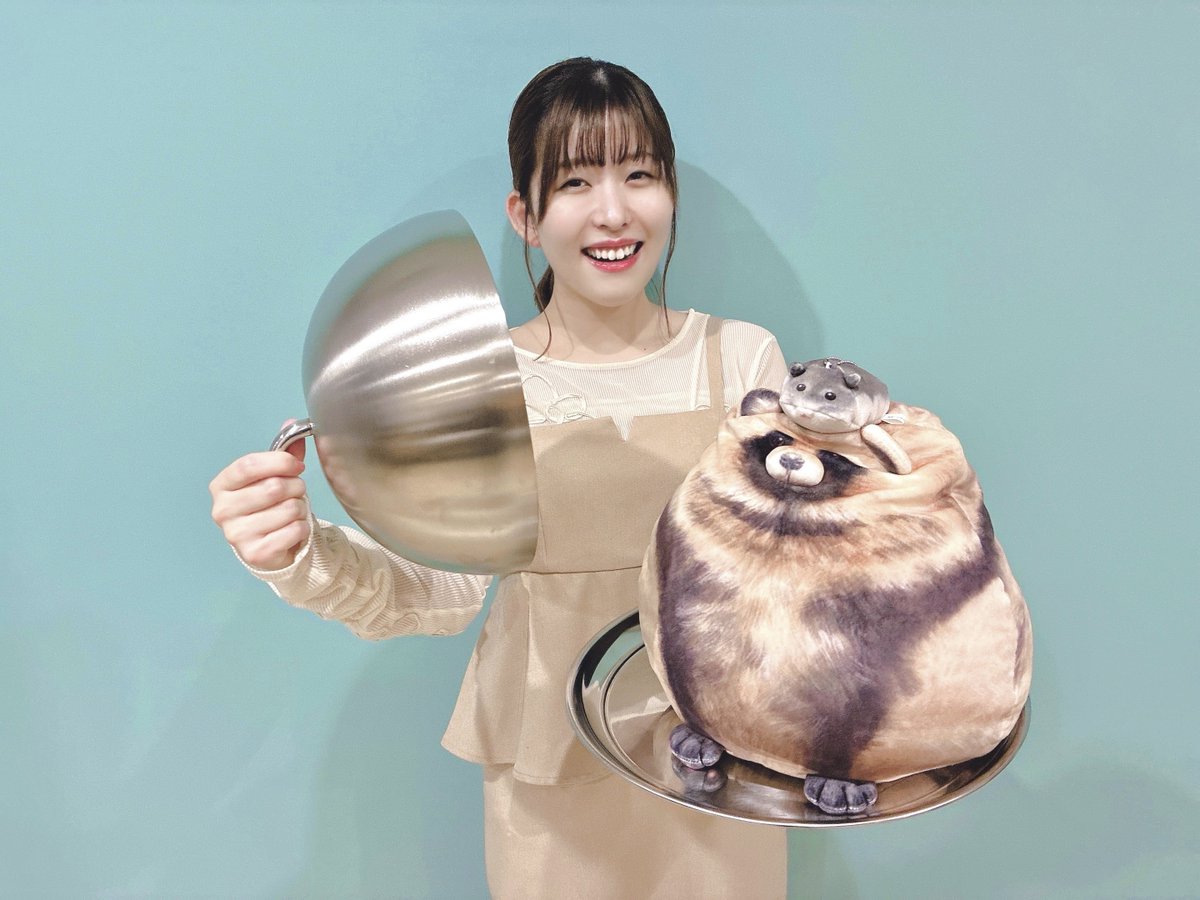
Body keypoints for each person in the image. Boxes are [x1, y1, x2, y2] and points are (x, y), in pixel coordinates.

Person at [210, 57, 790, 899]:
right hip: (549, 759)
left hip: (720, 757)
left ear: (670, 195)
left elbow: (798, 575)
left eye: (639, 175)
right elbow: (437, 592)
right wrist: (295, 555)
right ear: (525, 214)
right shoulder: (480, 380)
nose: (614, 211)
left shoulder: (742, 356)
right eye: (576, 182)